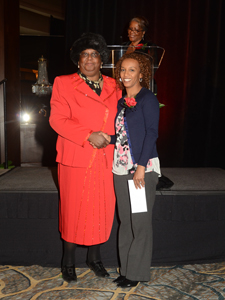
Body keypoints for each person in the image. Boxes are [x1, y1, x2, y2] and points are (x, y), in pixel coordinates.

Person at [49, 32, 121, 282]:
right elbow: (57, 119)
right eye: (84, 55)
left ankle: (94, 258)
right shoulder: (63, 82)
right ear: (77, 61)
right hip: (77, 155)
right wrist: (88, 135)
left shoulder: (115, 85)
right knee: (74, 209)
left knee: (101, 208)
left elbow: (123, 119)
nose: (90, 59)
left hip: (107, 157)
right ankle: (68, 261)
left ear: (101, 60)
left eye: (94, 54)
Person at [102, 52, 161, 288]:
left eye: (132, 70)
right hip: (120, 169)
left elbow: (151, 134)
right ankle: (126, 269)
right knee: (125, 222)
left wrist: (140, 168)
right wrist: (109, 138)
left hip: (141, 169)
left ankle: (136, 273)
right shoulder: (122, 101)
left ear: (142, 73)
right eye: (123, 70)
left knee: (140, 223)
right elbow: (127, 136)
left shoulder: (148, 99)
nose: (125, 74)